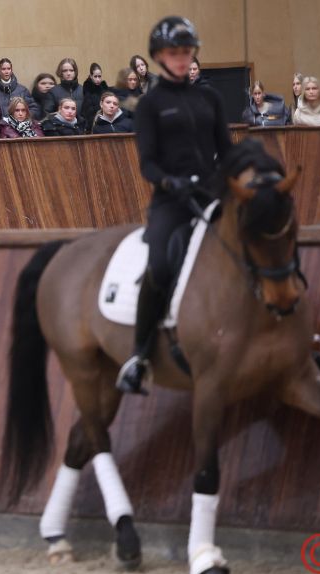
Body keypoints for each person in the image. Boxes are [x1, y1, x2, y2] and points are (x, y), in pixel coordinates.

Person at [116, 17, 233, 394]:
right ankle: (139, 355)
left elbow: (226, 150)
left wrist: (233, 176)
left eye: (186, 52)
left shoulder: (210, 98)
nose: (182, 59)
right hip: (172, 201)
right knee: (161, 265)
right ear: (158, 57)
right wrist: (170, 182)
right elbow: (148, 163)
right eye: (173, 53)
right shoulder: (151, 104)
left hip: (213, 195)